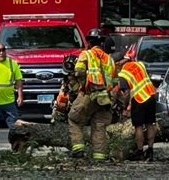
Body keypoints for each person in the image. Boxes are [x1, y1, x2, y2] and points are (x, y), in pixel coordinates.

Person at [68, 28, 115, 161]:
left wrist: (82, 85)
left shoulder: (86, 54)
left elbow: (78, 71)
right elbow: (114, 80)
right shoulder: (110, 60)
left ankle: (78, 149)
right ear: (102, 43)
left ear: (89, 42)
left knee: (74, 119)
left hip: (89, 94)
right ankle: (99, 156)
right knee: (99, 126)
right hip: (105, 98)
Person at [113, 52, 156, 162]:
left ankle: (140, 152)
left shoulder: (123, 74)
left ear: (118, 63)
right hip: (151, 95)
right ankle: (150, 151)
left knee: (138, 126)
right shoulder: (139, 64)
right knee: (150, 123)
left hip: (139, 99)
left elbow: (126, 93)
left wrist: (125, 107)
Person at [51, 54, 80, 124]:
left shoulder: (81, 76)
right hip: (69, 95)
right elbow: (63, 88)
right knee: (60, 101)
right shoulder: (67, 78)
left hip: (78, 101)